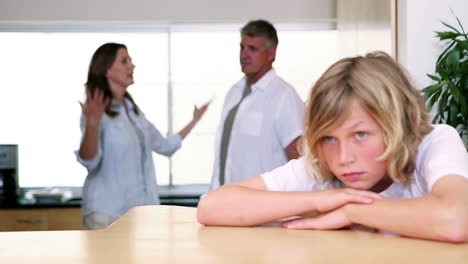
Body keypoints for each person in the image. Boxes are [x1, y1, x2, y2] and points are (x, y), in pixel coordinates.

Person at [197, 51, 468, 243]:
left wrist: (353, 210)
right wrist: (320, 200)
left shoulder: (434, 142)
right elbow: (212, 207)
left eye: (360, 134)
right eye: (328, 138)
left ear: (398, 124)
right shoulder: (321, 167)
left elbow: (458, 220)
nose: (343, 158)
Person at [76, 43, 209, 229]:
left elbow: (165, 146)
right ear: (107, 70)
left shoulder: (134, 113)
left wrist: (194, 120)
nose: (132, 66)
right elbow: (89, 161)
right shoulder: (96, 111)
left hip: (137, 214)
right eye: (124, 61)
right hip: (106, 213)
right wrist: (92, 123)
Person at [210, 19, 305, 189]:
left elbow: (299, 159)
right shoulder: (234, 92)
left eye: (252, 49)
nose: (244, 55)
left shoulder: (284, 96)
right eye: (242, 47)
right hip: (227, 200)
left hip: (265, 205)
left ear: (271, 53)